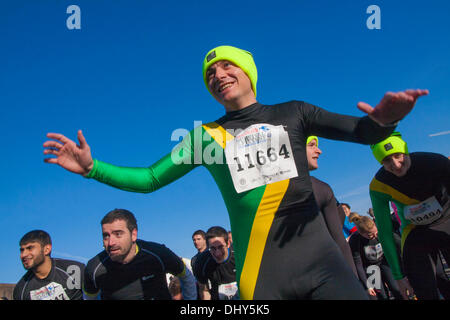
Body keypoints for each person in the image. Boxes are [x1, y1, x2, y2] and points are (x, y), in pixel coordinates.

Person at [43, 44, 428, 299]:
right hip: (261, 274)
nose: (218, 73)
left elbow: (361, 131)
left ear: (248, 72)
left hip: (323, 263)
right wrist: (94, 168)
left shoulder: (294, 112)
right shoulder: (205, 137)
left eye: (227, 65)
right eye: (210, 71)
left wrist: (385, 120)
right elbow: (150, 179)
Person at [369, 131, 450, 300]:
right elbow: (385, 232)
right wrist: (398, 277)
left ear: (405, 151)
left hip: (447, 220)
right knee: (424, 289)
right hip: (416, 231)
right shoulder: (378, 186)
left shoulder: (435, 162)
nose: (396, 165)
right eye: (386, 161)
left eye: (398, 155)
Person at [83, 209, 197, 300]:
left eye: (118, 234)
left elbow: (186, 276)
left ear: (133, 234)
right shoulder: (94, 268)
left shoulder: (158, 254)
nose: (110, 242)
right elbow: (88, 297)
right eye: (106, 236)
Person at [306, 136, 359, 278]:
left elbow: (340, 239)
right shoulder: (321, 189)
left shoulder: (322, 189)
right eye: (311, 145)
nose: (319, 151)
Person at [13, 230, 84, 300]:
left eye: (30, 248)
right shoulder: (21, 290)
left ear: (47, 249)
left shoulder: (74, 270)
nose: (23, 255)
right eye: (22, 250)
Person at [348, 212, 403, 300]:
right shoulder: (355, 240)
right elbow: (358, 264)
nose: (374, 236)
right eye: (370, 235)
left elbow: (398, 243)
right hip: (371, 267)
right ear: (361, 233)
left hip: (384, 262)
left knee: (396, 288)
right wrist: (367, 285)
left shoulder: (380, 230)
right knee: (382, 295)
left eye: (375, 232)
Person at [192, 226, 238, 300]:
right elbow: (204, 290)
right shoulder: (202, 261)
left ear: (228, 243)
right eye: (212, 248)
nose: (218, 253)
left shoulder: (240, 255)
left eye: (221, 247)